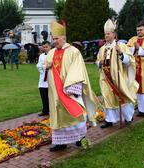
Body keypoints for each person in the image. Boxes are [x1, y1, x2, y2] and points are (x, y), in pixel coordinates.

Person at [46, 21, 99, 152]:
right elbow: (46, 67)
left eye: (57, 39)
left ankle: (80, 139)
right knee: (58, 114)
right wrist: (45, 66)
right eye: (53, 39)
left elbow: (78, 70)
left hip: (69, 90)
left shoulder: (73, 52)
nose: (55, 42)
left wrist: (71, 87)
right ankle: (60, 142)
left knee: (75, 113)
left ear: (64, 38)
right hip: (55, 92)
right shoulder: (51, 52)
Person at [96, 19, 139, 128]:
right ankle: (109, 120)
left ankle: (128, 117)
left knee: (122, 97)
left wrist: (121, 54)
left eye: (108, 33)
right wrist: (99, 63)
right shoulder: (102, 49)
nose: (106, 36)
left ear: (114, 34)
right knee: (107, 97)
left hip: (119, 77)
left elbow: (130, 60)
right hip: (106, 78)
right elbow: (98, 61)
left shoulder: (121, 46)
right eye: (105, 34)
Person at [36, 41, 51, 116]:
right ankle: (45, 110)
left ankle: (52, 110)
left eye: (46, 47)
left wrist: (44, 66)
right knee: (43, 95)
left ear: (50, 47)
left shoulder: (53, 55)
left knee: (50, 96)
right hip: (42, 78)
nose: (45, 48)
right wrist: (43, 67)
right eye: (44, 47)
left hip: (50, 78)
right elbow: (39, 65)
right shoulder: (41, 56)